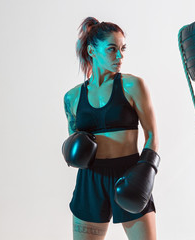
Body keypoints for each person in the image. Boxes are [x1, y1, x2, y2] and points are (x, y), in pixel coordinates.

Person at [63, 17, 159, 240]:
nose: (120, 56)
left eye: (122, 49)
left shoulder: (132, 85)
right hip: (90, 180)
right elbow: (74, 144)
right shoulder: (73, 97)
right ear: (92, 51)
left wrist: (146, 173)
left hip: (129, 174)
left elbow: (152, 135)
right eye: (112, 49)